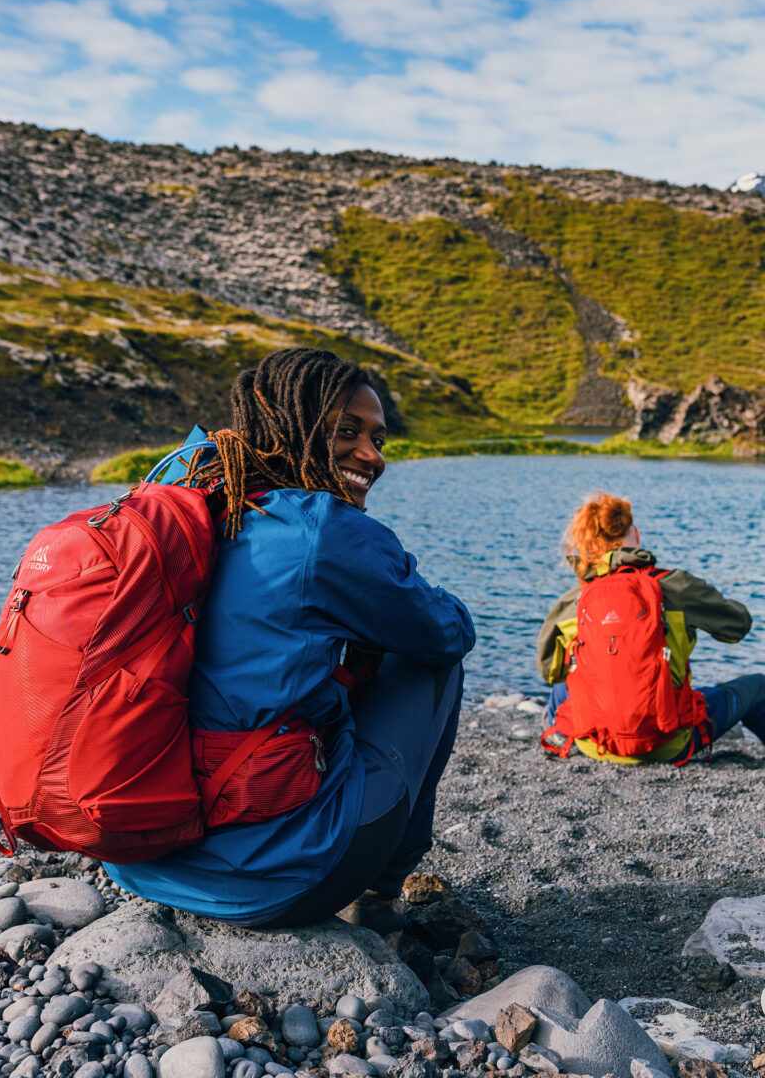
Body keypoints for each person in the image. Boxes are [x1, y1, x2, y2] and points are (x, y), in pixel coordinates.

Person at [105, 347, 475, 929]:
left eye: (379, 439)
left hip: (138, 856)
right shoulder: (321, 529)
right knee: (433, 662)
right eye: (347, 431)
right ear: (289, 426)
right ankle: (379, 897)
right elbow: (446, 631)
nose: (369, 455)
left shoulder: (186, 494)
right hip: (272, 883)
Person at [537, 491, 765, 764]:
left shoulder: (577, 598)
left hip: (594, 745)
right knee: (759, 686)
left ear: (592, 544)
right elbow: (738, 626)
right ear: (635, 533)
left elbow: (547, 670)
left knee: (570, 672)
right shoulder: (675, 585)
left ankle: (563, 734)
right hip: (668, 744)